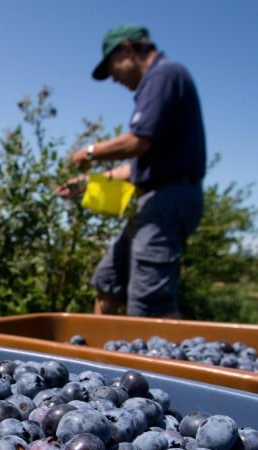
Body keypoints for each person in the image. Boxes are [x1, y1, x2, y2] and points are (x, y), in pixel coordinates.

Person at [58, 24, 206, 318]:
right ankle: (101, 347)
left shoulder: (164, 75)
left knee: (149, 303)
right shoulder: (160, 80)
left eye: (112, 69)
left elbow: (137, 141)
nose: (114, 79)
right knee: (108, 280)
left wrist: (90, 152)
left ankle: (159, 348)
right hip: (155, 199)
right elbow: (138, 167)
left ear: (126, 51)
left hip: (168, 200)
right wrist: (85, 183)